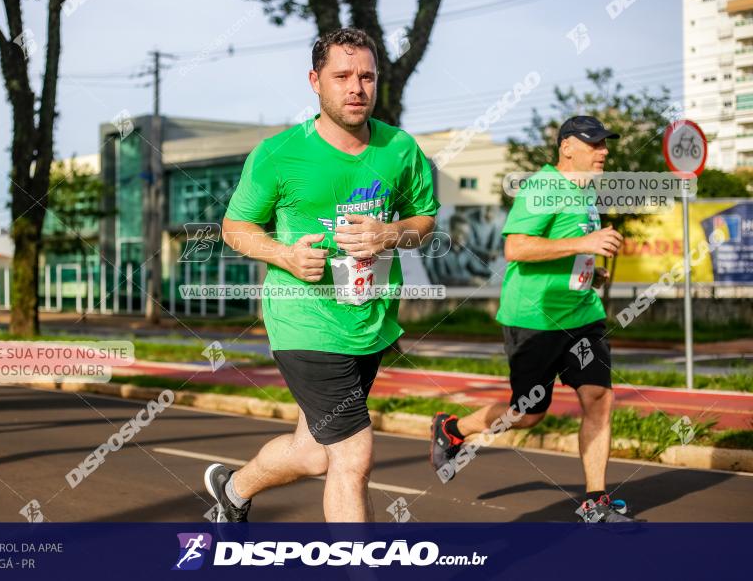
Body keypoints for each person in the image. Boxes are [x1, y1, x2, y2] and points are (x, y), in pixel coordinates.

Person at [205, 27, 438, 522]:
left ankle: (233, 490)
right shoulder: (280, 153)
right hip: (302, 319)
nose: (356, 87)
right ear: (315, 81)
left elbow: (424, 221)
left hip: (367, 321)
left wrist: (389, 234)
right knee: (353, 456)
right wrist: (284, 255)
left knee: (313, 452)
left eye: (367, 77)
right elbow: (234, 227)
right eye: (342, 76)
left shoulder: (400, 149)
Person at [429, 116, 636, 523]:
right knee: (528, 413)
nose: (603, 151)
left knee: (599, 398)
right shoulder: (543, 187)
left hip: (581, 314)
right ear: (567, 148)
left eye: (604, 144)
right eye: (594, 144)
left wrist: (591, 269)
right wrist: (585, 241)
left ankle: (596, 500)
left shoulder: (584, 193)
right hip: (534, 318)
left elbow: (564, 249)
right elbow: (518, 248)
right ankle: (452, 428)